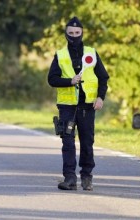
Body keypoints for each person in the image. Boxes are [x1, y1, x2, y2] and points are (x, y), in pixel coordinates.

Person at [48, 17, 109, 191]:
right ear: (66, 34)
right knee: (67, 142)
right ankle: (69, 178)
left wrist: (100, 98)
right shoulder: (60, 55)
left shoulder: (91, 53)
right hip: (67, 107)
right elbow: (51, 79)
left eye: (77, 33)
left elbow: (103, 77)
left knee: (87, 142)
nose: (74, 36)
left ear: (82, 33)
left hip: (87, 106)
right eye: (71, 33)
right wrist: (69, 81)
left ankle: (87, 177)